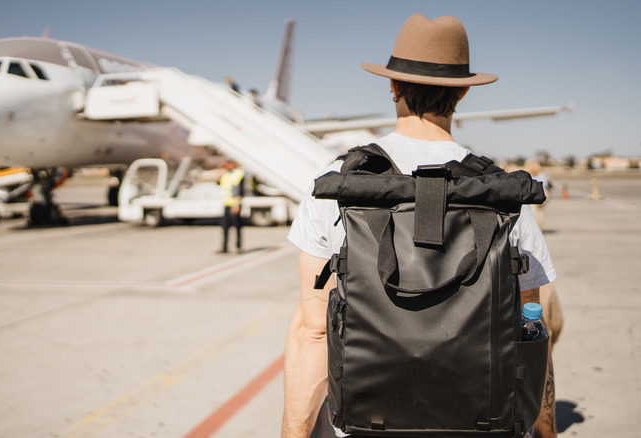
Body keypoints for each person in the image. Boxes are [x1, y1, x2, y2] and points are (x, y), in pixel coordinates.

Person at [283, 14, 558, 438]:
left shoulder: (341, 184)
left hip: (367, 424)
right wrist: (545, 430)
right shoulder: (501, 194)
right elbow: (529, 331)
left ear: (392, 86)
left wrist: (293, 433)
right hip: (482, 424)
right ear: (463, 91)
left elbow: (314, 331)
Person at [218, 160, 245, 253]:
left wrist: (237, 205)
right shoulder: (226, 175)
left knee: (237, 226)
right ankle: (224, 247)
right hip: (227, 204)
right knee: (225, 227)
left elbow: (240, 191)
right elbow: (218, 183)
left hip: (235, 204)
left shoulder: (239, 174)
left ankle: (238, 247)